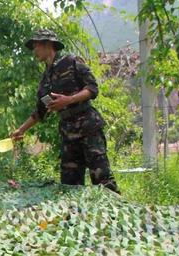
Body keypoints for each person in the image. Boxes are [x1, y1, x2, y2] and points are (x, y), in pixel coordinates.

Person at [10, 29, 119, 193]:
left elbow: (92, 88)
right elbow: (40, 112)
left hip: (88, 128)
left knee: (103, 182)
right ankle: (76, 218)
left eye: (36, 46)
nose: (34, 51)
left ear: (48, 44)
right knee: (69, 187)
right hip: (68, 135)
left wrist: (68, 100)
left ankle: (113, 217)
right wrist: (21, 130)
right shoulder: (44, 80)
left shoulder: (72, 61)